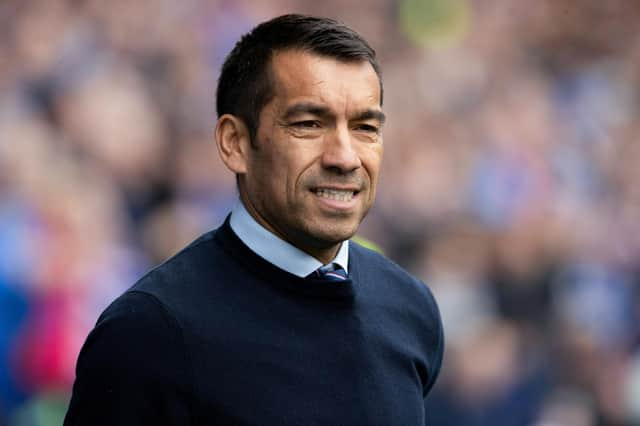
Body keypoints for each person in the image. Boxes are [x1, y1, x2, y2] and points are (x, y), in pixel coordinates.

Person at [64, 14, 444, 426]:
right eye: (308, 124)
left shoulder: (410, 307)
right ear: (235, 144)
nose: (345, 156)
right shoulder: (148, 334)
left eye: (365, 127)